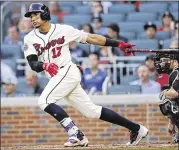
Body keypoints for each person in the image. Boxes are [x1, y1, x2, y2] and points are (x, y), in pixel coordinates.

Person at [24, 3, 148, 147]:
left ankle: (75, 134)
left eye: (35, 14)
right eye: (30, 15)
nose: (32, 18)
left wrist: (118, 44)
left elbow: (91, 38)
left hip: (67, 71)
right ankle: (137, 128)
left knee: (44, 100)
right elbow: (33, 64)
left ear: (45, 14)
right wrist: (44, 65)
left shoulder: (63, 30)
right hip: (58, 76)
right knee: (92, 112)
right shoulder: (29, 38)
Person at [154, 52, 179, 143]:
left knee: (165, 99)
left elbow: (176, 94)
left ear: (175, 62)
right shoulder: (174, 73)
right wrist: (171, 122)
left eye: (165, 60)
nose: (161, 63)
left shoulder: (177, 72)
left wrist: (165, 93)